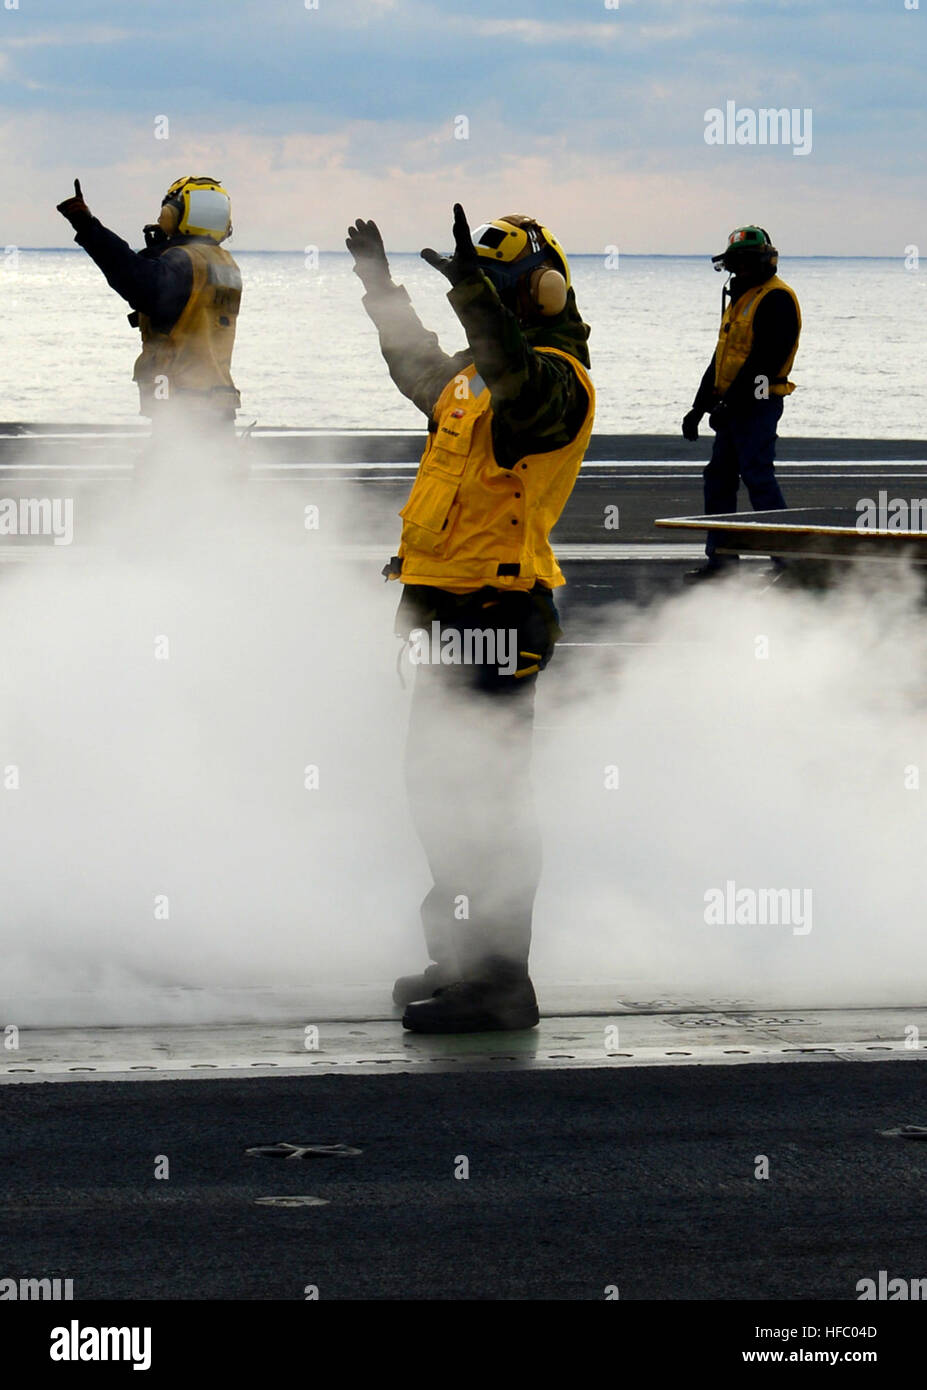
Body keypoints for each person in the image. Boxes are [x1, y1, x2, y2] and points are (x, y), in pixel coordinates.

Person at [346, 204, 595, 1033]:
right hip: (442, 616)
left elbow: (521, 387)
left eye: (494, 286)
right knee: (440, 794)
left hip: (498, 616)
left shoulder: (558, 380)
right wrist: (378, 286)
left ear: (543, 291)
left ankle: (500, 983)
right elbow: (415, 362)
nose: (480, 296)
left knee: (484, 801)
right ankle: (459, 959)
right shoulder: (467, 378)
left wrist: (474, 302)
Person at [56, 176, 241, 435]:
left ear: (173, 213)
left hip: (185, 404)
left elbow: (137, 282)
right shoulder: (223, 264)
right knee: (210, 470)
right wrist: (161, 253)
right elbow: (177, 300)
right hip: (217, 400)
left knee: (162, 471)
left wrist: (87, 227)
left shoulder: (185, 262)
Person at [681, 226, 801, 580]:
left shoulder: (776, 299)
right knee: (718, 479)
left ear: (765, 261)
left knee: (758, 478)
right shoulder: (742, 300)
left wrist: (730, 404)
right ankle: (722, 561)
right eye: (737, 264)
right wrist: (698, 407)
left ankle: (789, 563)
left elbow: (763, 362)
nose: (741, 271)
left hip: (758, 405)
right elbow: (722, 359)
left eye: (747, 263)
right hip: (733, 408)